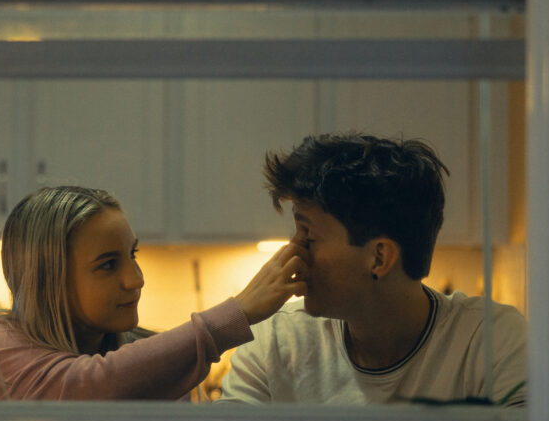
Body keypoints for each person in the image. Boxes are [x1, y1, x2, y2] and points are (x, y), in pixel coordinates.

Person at [216, 133, 527, 407]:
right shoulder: (274, 342)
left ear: (379, 258)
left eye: (308, 235)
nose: (293, 251)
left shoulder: (490, 339)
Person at [0, 186, 308, 400]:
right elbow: (87, 387)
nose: (135, 279)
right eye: (109, 265)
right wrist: (235, 315)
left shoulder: (153, 361)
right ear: (47, 279)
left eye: (132, 255)